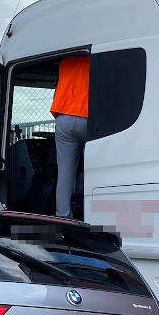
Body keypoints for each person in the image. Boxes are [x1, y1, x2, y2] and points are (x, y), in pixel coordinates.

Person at [50, 54, 90, 219]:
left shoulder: (64, 62)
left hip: (64, 117)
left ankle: (63, 217)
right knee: (93, 169)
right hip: (90, 116)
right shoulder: (94, 58)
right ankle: (90, 215)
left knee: (65, 174)